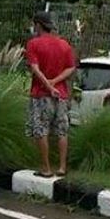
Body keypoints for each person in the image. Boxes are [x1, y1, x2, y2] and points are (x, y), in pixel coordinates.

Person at [25, 11, 77, 178]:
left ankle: (46, 169)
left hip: (41, 94)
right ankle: (62, 168)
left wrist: (48, 84)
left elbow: (35, 68)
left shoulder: (33, 43)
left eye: (35, 24)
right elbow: (71, 68)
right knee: (62, 130)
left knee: (41, 130)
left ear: (39, 25)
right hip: (61, 95)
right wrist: (55, 82)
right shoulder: (64, 44)